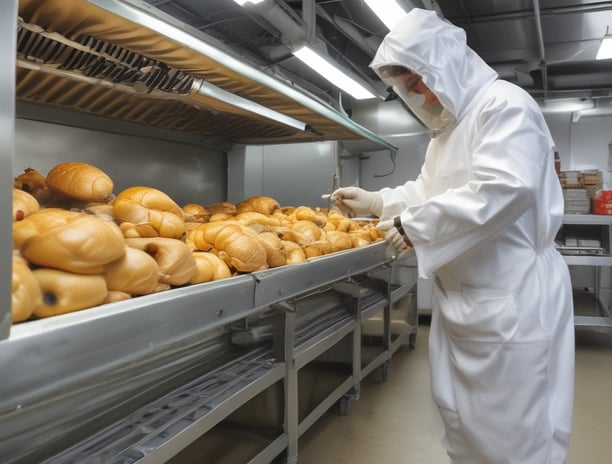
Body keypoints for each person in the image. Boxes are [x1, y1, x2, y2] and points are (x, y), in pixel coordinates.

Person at [327, 8, 575, 464]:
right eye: (406, 87)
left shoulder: (504, 106)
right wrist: (380, 202)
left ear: (444, 65)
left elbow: (505, 188)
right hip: (465, 300)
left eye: (418, 80)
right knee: (464, 425)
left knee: (514, 433)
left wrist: (414, 225)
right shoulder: (446, 130)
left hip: (512, 299)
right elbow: (429, 191)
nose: (416, 93)